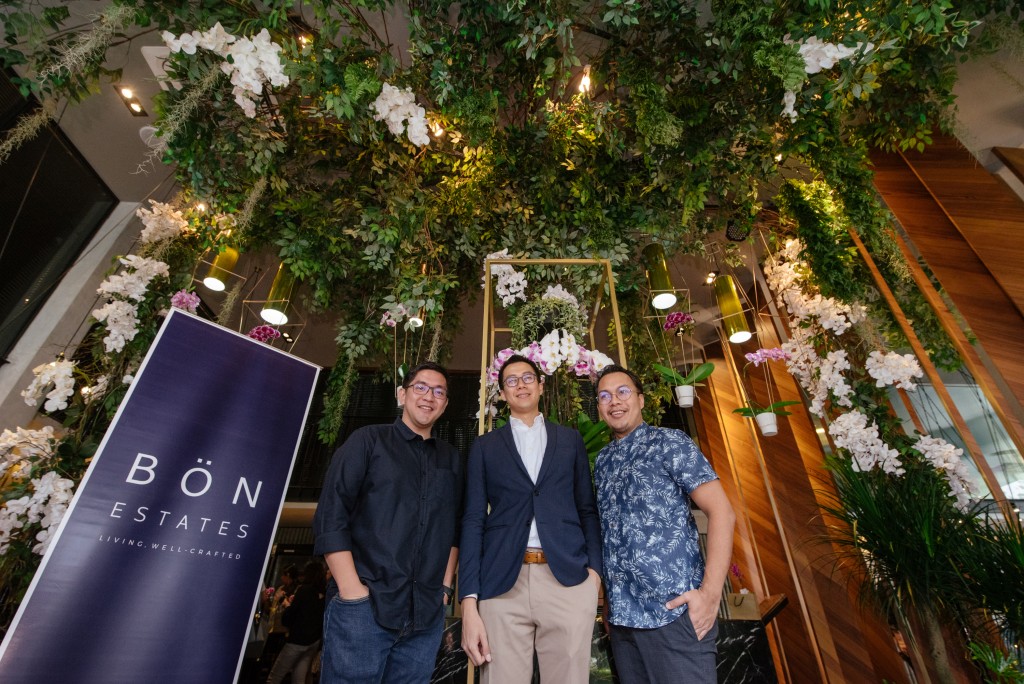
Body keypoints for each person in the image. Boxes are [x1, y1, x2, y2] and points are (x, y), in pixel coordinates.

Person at [314, 361, 463, 683]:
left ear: (446, 404)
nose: (429, 397)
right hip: (365, 607)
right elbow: (331, 514)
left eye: (439, 392)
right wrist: (352, 590)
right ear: (402, 394)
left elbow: (453, 528)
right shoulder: (367, 441)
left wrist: (445, 588)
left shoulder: (451, 458)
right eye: (420, 387)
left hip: (425, 615)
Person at [459, 354, 602, 684]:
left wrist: (594, 574)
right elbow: (472, 520)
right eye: (511, 381)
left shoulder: (570, 441)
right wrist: (468, 598)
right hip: (501, 583)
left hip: (566, 579)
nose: (520, 385)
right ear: (503, 394)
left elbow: (586, 510)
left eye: (527, 378)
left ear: (540, 385)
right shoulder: (484, 447)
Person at [593, 365, 736, 684]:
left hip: (673, 614)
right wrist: (608, 602)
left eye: (623, 392)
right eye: (604, 396)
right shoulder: (602, 462)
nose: (614, 401)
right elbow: (609, 535)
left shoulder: (670, 442)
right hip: (622, 624)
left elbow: (722, 513)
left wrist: (710, 595)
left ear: (641, 400)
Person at [267, 560, 327, 684]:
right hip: (313, 641)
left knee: (274, 678)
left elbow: (290, 616)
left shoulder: (304, 590)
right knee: (299, 678)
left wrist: (287, 605)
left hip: (297, 640)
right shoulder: (325, 592)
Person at [261, 565, 298, 672]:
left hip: (284, 627)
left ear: (289, 576)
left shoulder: (296, 590)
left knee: (279, 654)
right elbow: (272, 605)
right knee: (268, 650)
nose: (281, 578)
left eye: (283, 575)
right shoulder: (280, 588)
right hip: (272, 624)